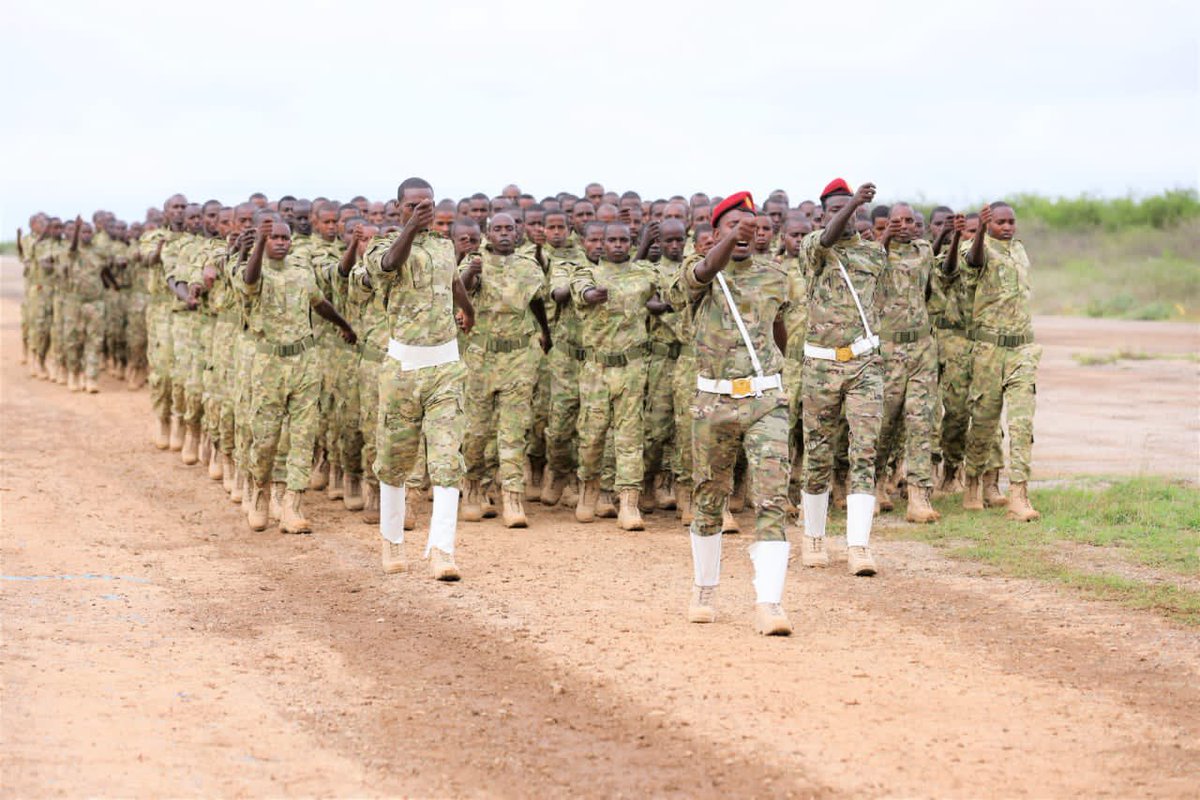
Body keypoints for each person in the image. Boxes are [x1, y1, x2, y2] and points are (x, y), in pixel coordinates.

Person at [677, 191, 793, 636]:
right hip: (714, 402)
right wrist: (724, 247)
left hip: (765, 400)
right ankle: (705, 588)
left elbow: (778, 329)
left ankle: (770, 601)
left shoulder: (776, 276)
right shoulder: (697, 269)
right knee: (708, 497)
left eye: (751, 226)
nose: (745, 232)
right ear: (714, 233)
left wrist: (779, 378)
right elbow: (704, 272)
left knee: (771, 497)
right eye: (733, 226)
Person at [364, 178, 476, 579]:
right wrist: (410, 228)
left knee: (448, 460)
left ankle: (442, 549)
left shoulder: (445, 246)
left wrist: (468, 309)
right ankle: (392, 540)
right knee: (395, 462)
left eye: (426, 204)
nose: (420, 210)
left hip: (445, 367)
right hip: (403, 370)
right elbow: (389, 266)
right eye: (412, 205)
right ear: (397, 208)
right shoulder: (383, 246)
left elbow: (453, 281)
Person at [239, 218, 357, 534]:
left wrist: (343, 324)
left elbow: (320, 304)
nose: (280, 242)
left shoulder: (301, 272)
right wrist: (258, 245)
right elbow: (250, 282)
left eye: (284, 238)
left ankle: (292, 504)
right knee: (265, 438)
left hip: (304, 360)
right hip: (269, 364)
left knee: (303, 436)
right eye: (274, 237)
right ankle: (260, 493)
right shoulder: (255, 269)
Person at [798, 179, 885, 577]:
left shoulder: (873, 254)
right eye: (835, 208)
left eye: (851, 209)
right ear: (823, 215)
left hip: (864, 364)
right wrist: (851, 204)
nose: (845, 215)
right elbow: (830, 236)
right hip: (820, 366)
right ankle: (814, 536)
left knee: (863, 452)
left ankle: (859, 545)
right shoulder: (813, 247)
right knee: (818, 454)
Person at [459, 212, 552, 527]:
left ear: (518, 232)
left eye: (508, 229)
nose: (502, 234)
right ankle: (473, 488)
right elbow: (460, 291)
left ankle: (512, 497)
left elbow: (537, 301)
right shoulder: (475, 262)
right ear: (487, 233)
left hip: (517, 358)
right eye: (496, 229)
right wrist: (472, 273)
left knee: (513, 431)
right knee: (476, 431)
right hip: (480, 358)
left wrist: (546, 333)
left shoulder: (528, 266)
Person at [571, 222, 660, 530]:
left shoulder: (645, 274)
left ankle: (629, 503)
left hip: (632, 367)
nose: (618, 245)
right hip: (597, 368)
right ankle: (588, 492)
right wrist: (593, 294)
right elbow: (581, 293)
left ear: (631, 243)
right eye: (613, 240)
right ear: (601, 243)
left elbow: (663, 293)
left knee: (630, 436)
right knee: (592, 435)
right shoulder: (587, 273)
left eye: (624, 239)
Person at [961, 203, 1042, 521]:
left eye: (1011, 222)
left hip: (1022, 349)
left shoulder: (1019, 251)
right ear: (989, 223)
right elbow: (973, 261)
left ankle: (1019, 495)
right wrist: (980, 230)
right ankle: (972, 482)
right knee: (983, 422)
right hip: (989, 350)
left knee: (1022, 424)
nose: (1007, 227)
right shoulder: (978, 248)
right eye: (1000, 222)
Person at [873, 203, 940, 523]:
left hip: (921, 347)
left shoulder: (924, 250)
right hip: (887, 348)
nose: (904, 226)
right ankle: (871, 486)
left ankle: (918, 495)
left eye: (909, 221)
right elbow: (870, 263)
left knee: (920, 421)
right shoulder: (875, 253)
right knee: (883, 423)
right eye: (896, 221)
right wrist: (885, 236)